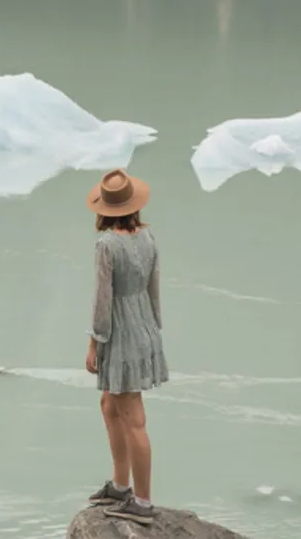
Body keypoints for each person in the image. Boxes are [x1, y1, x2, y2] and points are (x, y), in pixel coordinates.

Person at [84, 168, 168, 525]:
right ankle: (120, 486)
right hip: (144, 327)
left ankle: (143, 502)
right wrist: (153, 327)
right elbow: (154, 286)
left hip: (120, 333)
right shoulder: (147, 238)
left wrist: (94, 343)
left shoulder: (106, 245)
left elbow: (103, 300)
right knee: (109, 402)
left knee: (133, 417)